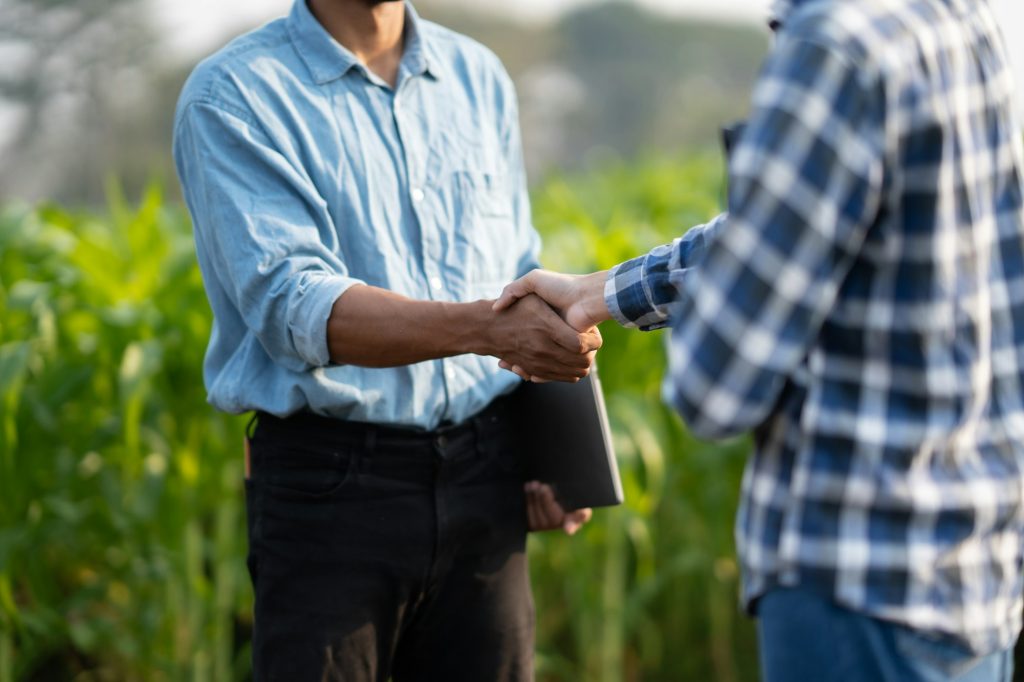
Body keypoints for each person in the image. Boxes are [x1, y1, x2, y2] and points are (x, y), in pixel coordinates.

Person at [495, 0, 1024, 679]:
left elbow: (716, 387)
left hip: (855, 585)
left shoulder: (832, 46)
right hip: (971, 578)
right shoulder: (952, 16)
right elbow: (830, 222)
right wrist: (604, 291)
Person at [172, 0, 597, 679]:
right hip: (334, 485)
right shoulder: (237, 93)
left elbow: (522, 268)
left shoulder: (476, 75)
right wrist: (486, 331)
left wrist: (555, 448)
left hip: (487, 470)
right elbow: (296, 308)